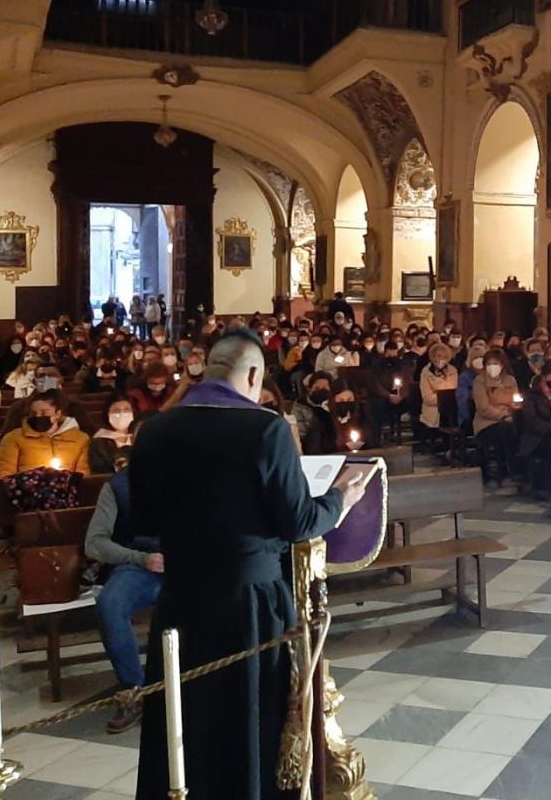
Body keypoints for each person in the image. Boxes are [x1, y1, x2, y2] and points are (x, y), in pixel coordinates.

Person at [128, 329, 371, 800]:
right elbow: (300, 522)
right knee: (246, 717)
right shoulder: (265, 429)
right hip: (250, 604)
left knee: (186, 715)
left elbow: (142, 522)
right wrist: (341, 498)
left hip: (181, 600)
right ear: (255, 374)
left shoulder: (155, 429)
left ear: (206, 369)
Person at [84, 456, 162, 733]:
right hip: (139, 565)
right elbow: (94, 543)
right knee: (111, 604)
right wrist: (141, 558)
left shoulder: (194, 474)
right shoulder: (119, 486)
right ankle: (133, 691)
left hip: (188, 565)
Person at [0, 392, 91, 479]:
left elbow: (83, 475)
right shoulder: (13, 438)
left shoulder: (80, 439)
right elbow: (2, 474)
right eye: (34, 414)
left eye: (44, 413)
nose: (38, 417)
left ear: (58, 414)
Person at [472, 347, 520, 480]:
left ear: (502, 365)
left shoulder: (510, 380)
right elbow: (483, 408)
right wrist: (502, 414)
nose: (492, 367)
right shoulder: (479, 381)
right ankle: (513, 468)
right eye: (489, 364)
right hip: (486, 423)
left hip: (509, 418)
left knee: (520, 429)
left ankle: (521, 467)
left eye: (495, 363)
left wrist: (513, 408)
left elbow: (515, 401)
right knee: (508, 430)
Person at [89, 394, 137, 474]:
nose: (122, 414)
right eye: (116, 411)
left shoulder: (138, 437)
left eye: (126, 410)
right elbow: (99, 471)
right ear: (107, 414)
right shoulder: (99, 442)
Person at [419, 341, 458, 429]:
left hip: (450, 410)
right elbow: (427, 398)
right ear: (433, 356)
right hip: (433, 411)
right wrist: (443, 398)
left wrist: (443, 396)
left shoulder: (453, 371)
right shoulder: (426, 372)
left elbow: (453, 392)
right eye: (439, 356)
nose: (441, 359)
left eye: (444, 357)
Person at [457, 344, 484, 432]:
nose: (479, 360)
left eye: (481, 357)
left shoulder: (489, 376)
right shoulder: (465, 377)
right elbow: (462, 400)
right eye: (475, 358)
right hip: (470, 417)